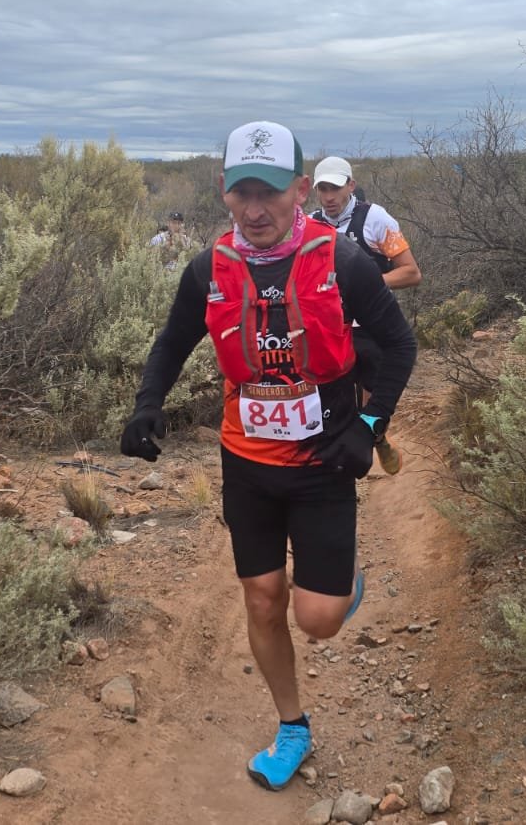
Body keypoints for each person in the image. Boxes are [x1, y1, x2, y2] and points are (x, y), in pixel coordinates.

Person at [120, 121, 416, 792]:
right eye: (243, 192)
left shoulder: (344, 261)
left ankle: (340, 585)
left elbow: (400, 346)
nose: (256, 209)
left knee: (318, 619)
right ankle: (292, 727)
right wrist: (146, 404)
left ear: (300, 190)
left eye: (271, 193)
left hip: (324, 460)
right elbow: (172, 342)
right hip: (246, 463)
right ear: (224, 191)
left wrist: (369, 424)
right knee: (261, 598)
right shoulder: (209, 268)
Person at [310, 156, 421, 476]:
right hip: (330, 328)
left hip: (371, 326)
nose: (329, 196)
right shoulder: (309, 224)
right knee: (330, 406)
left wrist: (366, 285)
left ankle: (378, 437)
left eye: (335, 188)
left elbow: (411, 272)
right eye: (323, 189)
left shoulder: (376, 219)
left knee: (371, 407)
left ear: (351, 186)